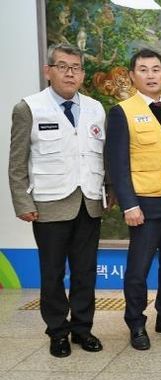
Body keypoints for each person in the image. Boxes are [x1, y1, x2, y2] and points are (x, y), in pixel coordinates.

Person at [8, 44, 106, 357]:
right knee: (52, 274)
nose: (69, 73)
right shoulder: (29, 108)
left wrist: (109, 194)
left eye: (76, 67)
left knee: (85, 272)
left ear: (83, 74)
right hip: (49, 205)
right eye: (62, 66)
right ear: (48, 71)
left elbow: (103, 157)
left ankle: (82, 329)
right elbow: (17, 162)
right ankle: (58, 332)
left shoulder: (95, 108)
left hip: (89, 202)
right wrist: (23, 203)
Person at [106, 49, 161, 351]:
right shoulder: (122, 112)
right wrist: (129, 204)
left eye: (156, 69)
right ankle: (136, 323)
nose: (151, 75)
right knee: (138, 269)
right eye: (143, 70)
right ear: (132, 76)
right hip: (143, 203)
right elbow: (117, 163)